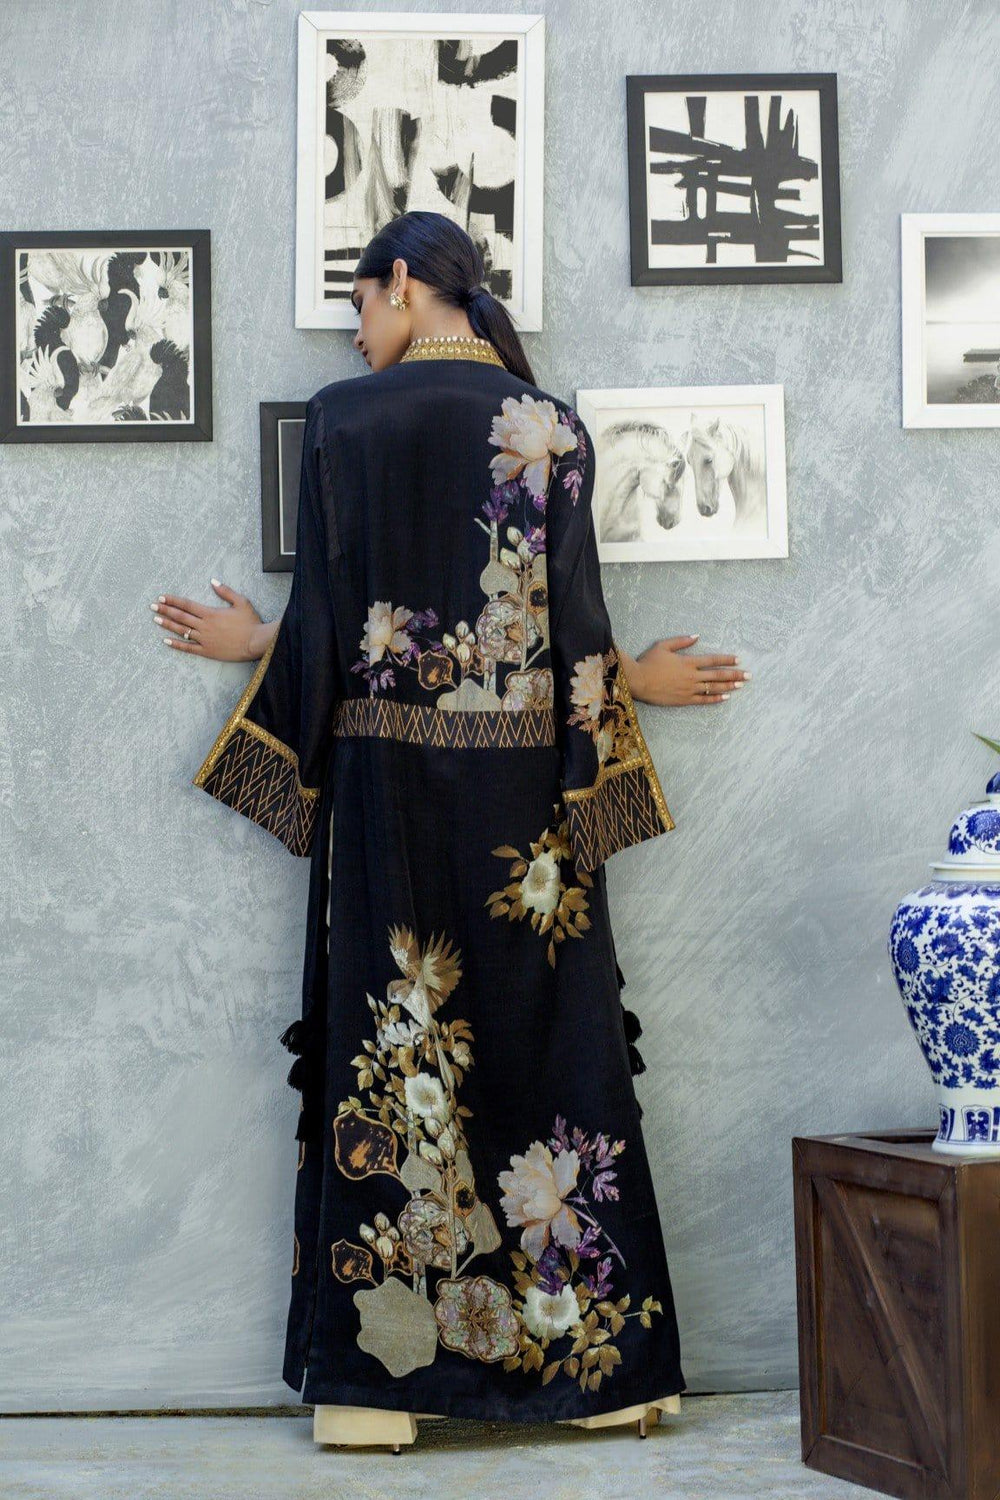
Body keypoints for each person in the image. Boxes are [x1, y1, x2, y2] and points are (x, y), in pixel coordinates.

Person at [154, 210, 749, 1450]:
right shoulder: (552, 425)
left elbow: (335, 618)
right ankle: (603, 1380)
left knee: (397, 1054)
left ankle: (375, 1395)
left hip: (387, 802)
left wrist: (260, 648)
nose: (353, 335)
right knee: (554, 1048)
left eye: (358, 308)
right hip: (527, 811)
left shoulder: (340, 420)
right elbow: (569, 628)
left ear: (401, 283)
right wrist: (631, 684)